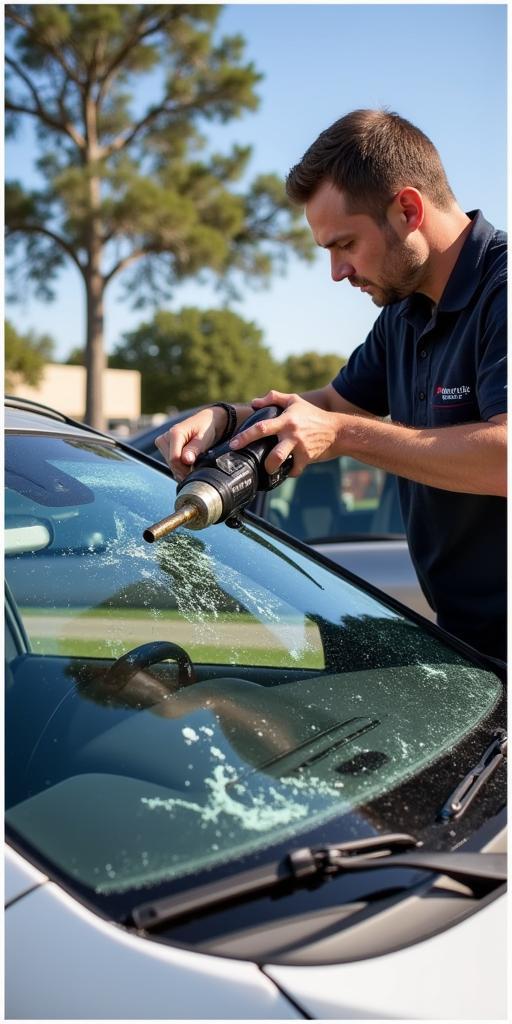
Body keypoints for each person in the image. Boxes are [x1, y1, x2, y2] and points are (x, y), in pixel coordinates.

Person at [156, 110, 506, 660]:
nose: (337, 272)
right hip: (471, 640)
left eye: (343, 244)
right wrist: (225, 418)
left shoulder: (501, 292)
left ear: (408, 210)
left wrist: (345, 436)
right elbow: (327, 406)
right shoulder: (405, 312)